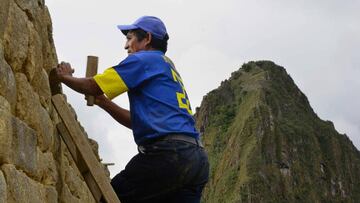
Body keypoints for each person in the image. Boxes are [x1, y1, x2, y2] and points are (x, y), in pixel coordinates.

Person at [56, 16, 209, 203]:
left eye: (130, 38)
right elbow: (136, 122)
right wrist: (103, 102)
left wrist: (65, 77)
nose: (126, 46)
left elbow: (92, 85)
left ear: (147, 39)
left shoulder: (143, 60)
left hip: (168, 156)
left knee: (111, 198)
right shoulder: (166, 67)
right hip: (196, 159)